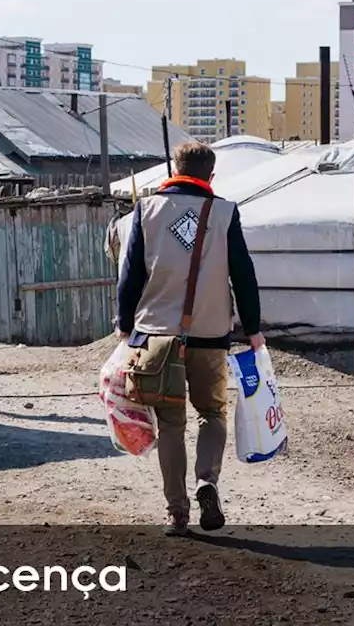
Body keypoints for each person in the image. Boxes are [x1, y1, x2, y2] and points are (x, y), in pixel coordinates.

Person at [117, 141, 263, 537]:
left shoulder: (146, 210)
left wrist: (123, 323)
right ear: (211, 176)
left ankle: (177, 513)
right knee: (212, 413)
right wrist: (253, 328)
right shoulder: (224, 212)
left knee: (171, 425)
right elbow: (243, 274)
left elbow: (130, 274)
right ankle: (207, 480)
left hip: (158, 336)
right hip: (210, 334)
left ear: (174, 169)